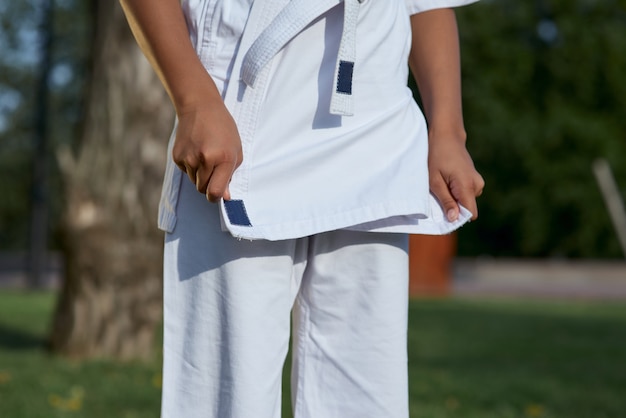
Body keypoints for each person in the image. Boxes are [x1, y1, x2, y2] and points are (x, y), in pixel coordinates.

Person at [120, 0, 484, 417]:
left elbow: (429, 4)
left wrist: (448, 131)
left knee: (364, 401)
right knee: (225, 400)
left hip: (374, 127)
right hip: (238, 124)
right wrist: (194, 101)